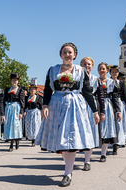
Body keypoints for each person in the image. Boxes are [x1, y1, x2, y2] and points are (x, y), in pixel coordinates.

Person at [35, 43, 99, 187]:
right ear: (61, 54)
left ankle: (67, 173)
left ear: (75, 55)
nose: (67, 54)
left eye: (70, 52)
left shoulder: (81, 71)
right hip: (56, 105)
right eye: (64, 52)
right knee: (61, 140)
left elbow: (87, 92)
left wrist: (95, 111)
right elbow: (46, 90)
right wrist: (45, 105)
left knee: (70, 139)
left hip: (74, 105)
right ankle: (68, 167)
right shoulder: (52, 70)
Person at [80, 57, 105, 171]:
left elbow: (100, 96)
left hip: (92, 108)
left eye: (89, 64)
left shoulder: (96, 79)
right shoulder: (77, 78)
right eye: (84, 64)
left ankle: (87, 161)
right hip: (79, 106)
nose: (87, 66)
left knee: (90, 133)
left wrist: (102, 112)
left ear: (92, 66)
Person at [97, 62, 121, 162]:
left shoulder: (111, 82)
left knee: (106, 130)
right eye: (100, 69)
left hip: (107, 105)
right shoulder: (95, 80)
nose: (102, 70)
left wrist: (118, 111)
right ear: (98, 70)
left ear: (107, 70)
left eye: (104, 69)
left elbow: (115, 97)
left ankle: (103, 154)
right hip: (97, 104)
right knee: (97, 129)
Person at [109, 65, 126, 154]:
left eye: (116, 72)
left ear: (118, 73)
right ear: (110, 73)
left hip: (119, 103)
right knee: (111, 123)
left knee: (118, 124)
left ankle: (116, 144)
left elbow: (125, 95)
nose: (114, 73)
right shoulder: (107, 81)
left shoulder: (121, 83)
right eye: (112, 71)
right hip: (109, 103)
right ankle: (110, 143)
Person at [3, 73, 25, 151]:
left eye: (15, 80)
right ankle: (12, 142)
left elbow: (22, 102)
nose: (14, 82)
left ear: (18, 81)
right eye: (13, 80)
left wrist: (21, 112)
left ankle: (14, 143)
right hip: (8, 108)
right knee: (10, 126)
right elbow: (4, 100)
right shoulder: (7, 89)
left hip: (16, 109)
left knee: (15, 126)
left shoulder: (20, 90)